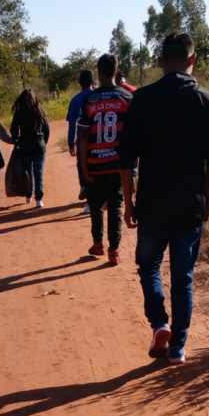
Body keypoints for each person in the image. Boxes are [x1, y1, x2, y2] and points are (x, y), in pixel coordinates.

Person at [120, 32, 209, 364]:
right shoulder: (207, 101)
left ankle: (159, 324)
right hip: (189, 206)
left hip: (153, 205)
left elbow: (126, 158)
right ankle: (178, 347)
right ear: (193, 59)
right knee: (183, 277)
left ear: (160, 60)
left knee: (149, 266)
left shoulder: (144, 99)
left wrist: (129, 201)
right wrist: (207, 201)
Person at [78, 53, 134, 266]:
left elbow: (83, 136)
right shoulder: (127, 99)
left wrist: (84, 166)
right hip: (119, 166)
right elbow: (133, 137)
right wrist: (134, 167)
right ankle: (115, 250)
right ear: (117, 72)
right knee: (115, 206)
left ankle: (98, 243)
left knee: (96, 204)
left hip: (94, 164)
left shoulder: (89, 100)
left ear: (99, 74)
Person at [10, 89, 50, 208]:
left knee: (28, 171)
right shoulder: (40, 111)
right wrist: (43, 142)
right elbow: (46, 130)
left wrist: (16, 139)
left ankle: (29, 194)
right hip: (39, 146)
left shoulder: (19, 113)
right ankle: (39, 199)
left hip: (25, 147)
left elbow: (13, 130)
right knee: (38, 173)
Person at [66, 68, 96, 211]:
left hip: (81, 143)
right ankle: (95, 198)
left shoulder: (75, 100)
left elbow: (72, 124)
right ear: (93, 81)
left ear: (79, 83)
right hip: (98, 142)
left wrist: (70, 143)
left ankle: (87, 194)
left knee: (82, 167)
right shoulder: (97, 96)